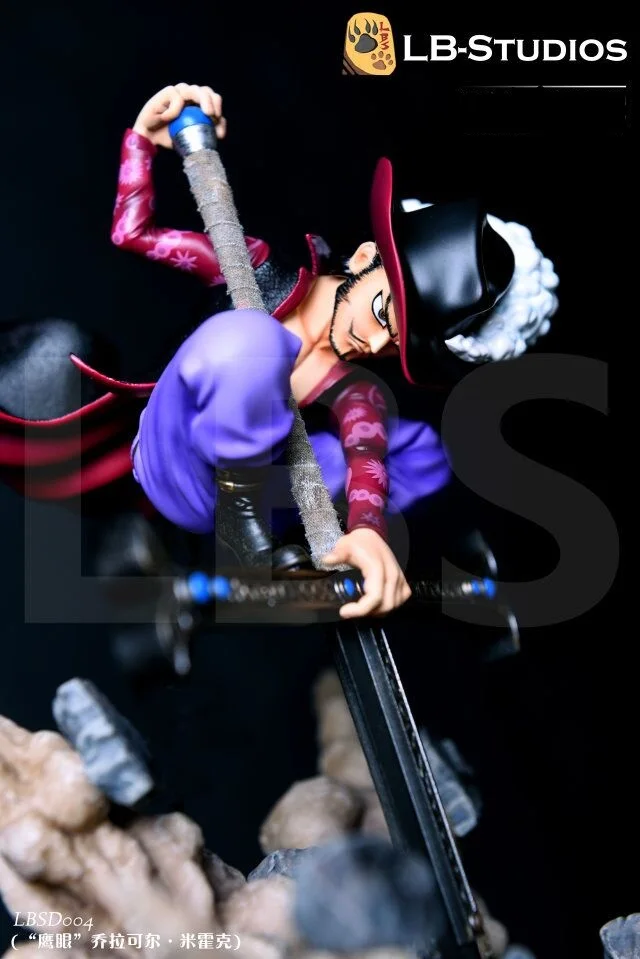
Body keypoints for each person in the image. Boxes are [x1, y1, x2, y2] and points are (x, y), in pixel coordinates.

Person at [0, 83, 558, 621]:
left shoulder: (353, 389)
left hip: (217, 504)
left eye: (398, 344)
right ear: (366, 258)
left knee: (419, 454)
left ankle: (272, 541)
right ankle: (243, 535)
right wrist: (143, 141)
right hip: (169, 454)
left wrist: (368, 533)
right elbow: (133, 232)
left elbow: (366, 456)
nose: (374, 342)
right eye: (383, 311)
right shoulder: (255, 268)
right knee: (253, 341)